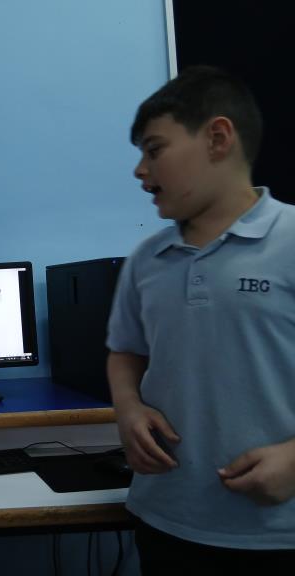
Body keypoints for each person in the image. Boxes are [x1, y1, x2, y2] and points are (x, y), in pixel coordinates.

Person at [106, 65, 295, 573]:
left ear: (217, 139)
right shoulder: (147, 259)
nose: (140, 171)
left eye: (154, 150)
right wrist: (128, 409)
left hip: (277, 535)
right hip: (167, 523)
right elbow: (125, 350)